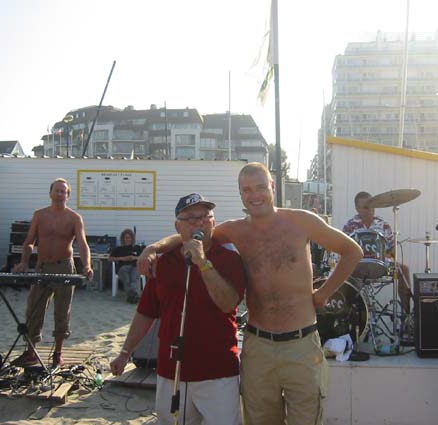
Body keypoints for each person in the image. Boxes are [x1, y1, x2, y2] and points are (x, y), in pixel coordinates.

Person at [138, 163, 363, 425]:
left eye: (260, 187)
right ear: (240, 194)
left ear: (272, 187)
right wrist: (153, 248)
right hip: (258, 346)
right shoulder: (236, 230)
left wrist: (324, 293)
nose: (255, 195)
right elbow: (193, 234)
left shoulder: (301, 221)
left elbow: (352, 251)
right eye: (247, 190)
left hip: (302, 343)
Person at [111, 193, 246, 425]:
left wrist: (203, 263)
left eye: (205, 217)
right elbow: (146, 312)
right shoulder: (164, 262)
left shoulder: (230, 259)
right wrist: (125, 352)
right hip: (171, 369)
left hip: (218, 370)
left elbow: (227, 303)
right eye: (190, 218)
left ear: (214, 222)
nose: (199, 223)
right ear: (177, 226)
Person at [11, 178, 93, 368]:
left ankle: (58, 353)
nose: (60, 194)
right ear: (50, 193)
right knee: (34, 308)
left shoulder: (74, 218)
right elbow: (29, 241)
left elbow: (82, 244)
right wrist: (24, 262)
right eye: (57, 190)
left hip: (64, 267)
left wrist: (87, 266)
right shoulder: (39, 215)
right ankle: (31, 351)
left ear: (68, 195)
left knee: (62, 310)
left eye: (63, 191)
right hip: (42, 267)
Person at [342, 191, 412, 315]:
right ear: (357, 209)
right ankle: (350, 316)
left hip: (381, 264)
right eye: (365, 207)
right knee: (342, 274)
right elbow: (344, 249)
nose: (370, 209)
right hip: (357, 266)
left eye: (372, 206)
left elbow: (392, 249)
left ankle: (406, 316)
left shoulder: (383, 224)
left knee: (403, 270)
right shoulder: (350, 225)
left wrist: (388, 253)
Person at [108, 228, 142, 303]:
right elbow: (110, 259)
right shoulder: (118, 249)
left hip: (135, 266)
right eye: (126, 238)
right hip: (123, 267)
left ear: (132, 238)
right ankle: (134, 295)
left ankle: (132, 295)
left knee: (134, 277)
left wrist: (134, 257)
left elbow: (143, 257)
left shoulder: (137, 248)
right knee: (126, 278)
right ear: (123, 239)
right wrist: (123, 258)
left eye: (129, 238)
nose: (128, 240)